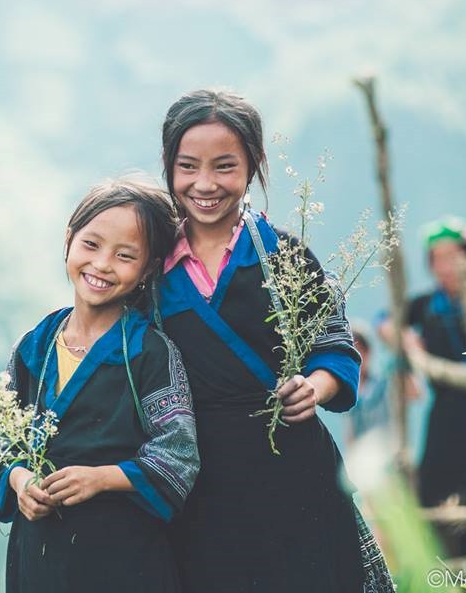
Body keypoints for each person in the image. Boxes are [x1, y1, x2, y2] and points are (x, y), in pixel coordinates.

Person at [156, 89, 369, 592]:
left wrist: (313, 388)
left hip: (292, 478)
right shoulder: (149, 263)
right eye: (188, 167)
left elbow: (336, 350)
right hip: (194, 487)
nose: (204, 184)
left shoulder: (286, 257)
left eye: (224, 166)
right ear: (168, 167)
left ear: (252, 166)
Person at [0, 177, 200, 593]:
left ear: (147, 269)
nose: (101, 265)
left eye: (124, 255)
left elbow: (179, 456)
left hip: (124, 560)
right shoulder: (35, 346)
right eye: (91, 245)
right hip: (39, 558)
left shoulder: (149, 352)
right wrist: (20, 480)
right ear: (69, 240)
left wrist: (102, 478)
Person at [378, 217, 466, 516]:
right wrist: (408, 351)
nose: (445, 266)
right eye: (437, 259)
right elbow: (386, 322)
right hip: (444, 409)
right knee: (432, 489)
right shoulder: (427, 305)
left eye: (452, 256)